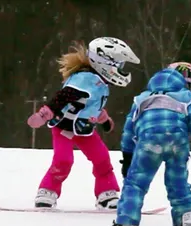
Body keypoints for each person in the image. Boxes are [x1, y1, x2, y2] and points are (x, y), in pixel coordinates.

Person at [26, 37, 140, 210]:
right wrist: (47, 111)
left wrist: (103, 118)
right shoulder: (86, 78)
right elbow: (66, 95)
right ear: (106, 62)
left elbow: (91, 104)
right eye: (119, 65)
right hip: (64, 126)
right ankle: (47, 190)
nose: (121, 70)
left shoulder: (100, 82)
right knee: (63, 160)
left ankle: (106, 192)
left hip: (84, 128)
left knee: (102, 158)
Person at [109, 61, 191, 226]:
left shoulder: (141, 99)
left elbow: (129, 130)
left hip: (148, 142)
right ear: (185, 81)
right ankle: (187, 223)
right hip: (177, 142)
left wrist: (127, 157)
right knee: (178, 183)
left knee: (135, 184)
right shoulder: (186, 97)